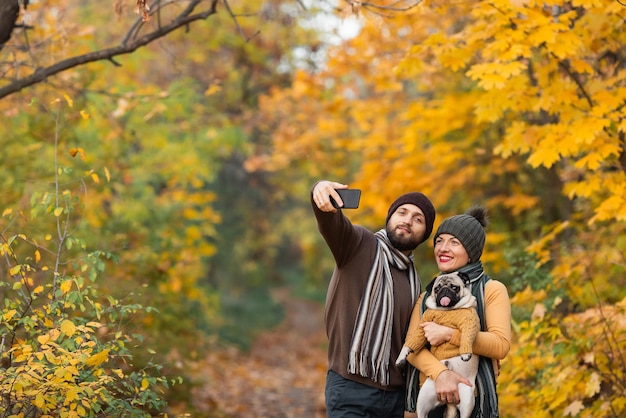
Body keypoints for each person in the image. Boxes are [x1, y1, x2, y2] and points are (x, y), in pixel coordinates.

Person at [312, 180, 436, 418]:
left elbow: (414, 340)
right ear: (390, 218)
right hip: (350, 389)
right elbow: (330, 221)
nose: (408, 220)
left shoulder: (415, 281)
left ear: (424, 234)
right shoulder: (358, 244)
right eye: (402, 212)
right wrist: (319, 191)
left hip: (394, 399)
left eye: (418, 219)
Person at [404, 206, 511, 417]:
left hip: (473, 400)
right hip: (430, 399)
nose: (443, 248)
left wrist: (448, 335)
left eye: (454, 242)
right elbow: (410, 349)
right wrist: (441, 374)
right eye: (439, 241)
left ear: (471, 251)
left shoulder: (491, 290)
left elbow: (500, 345)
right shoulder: (427, 297)